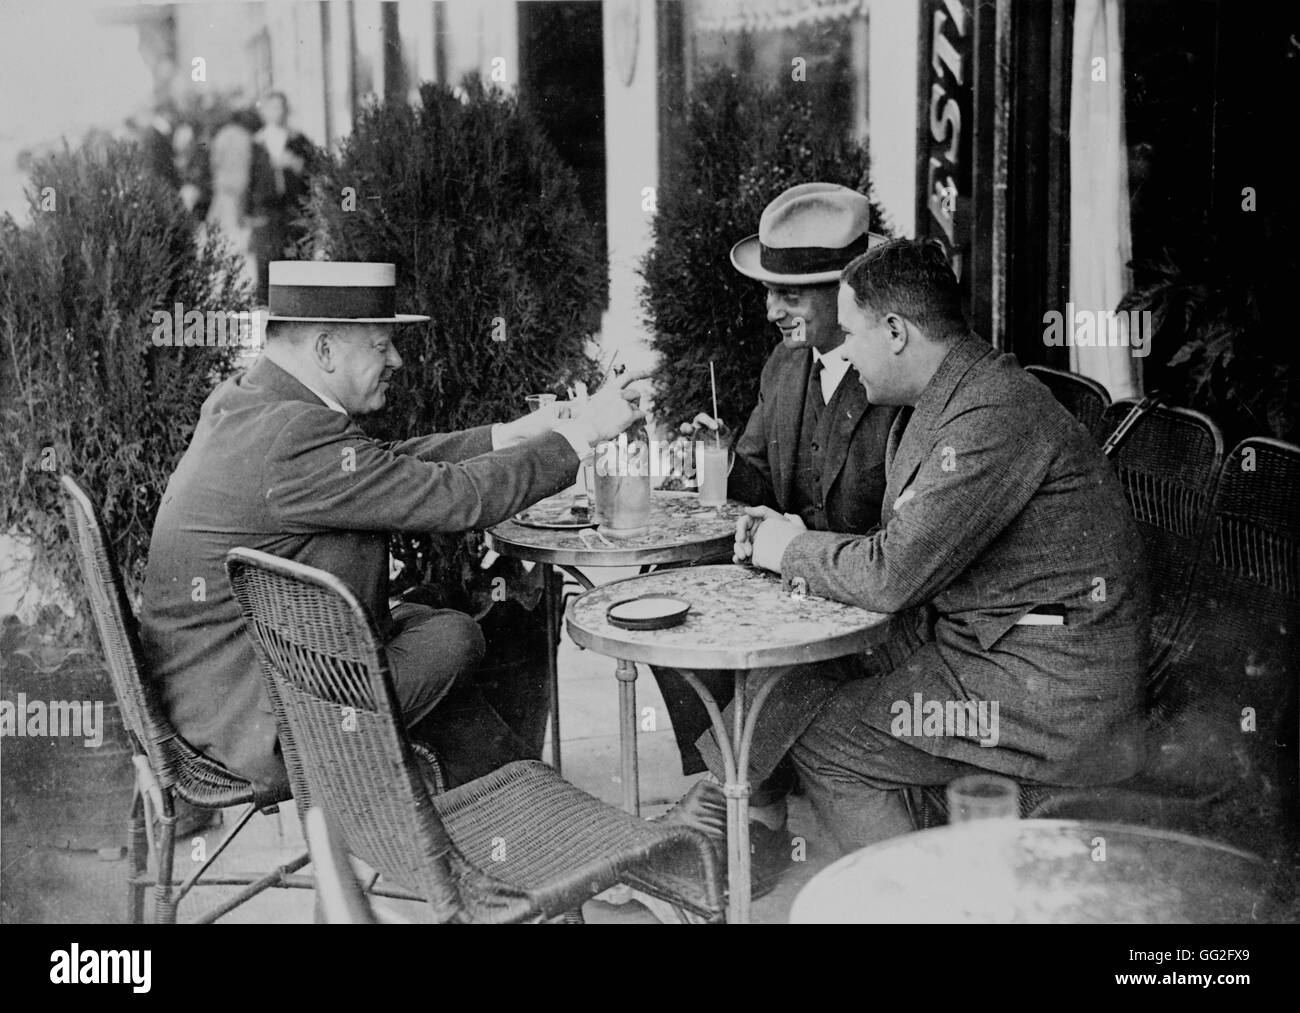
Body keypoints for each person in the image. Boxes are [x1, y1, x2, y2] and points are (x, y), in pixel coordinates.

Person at [141, 261, 645, 796]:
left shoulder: (249, 400)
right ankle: (508, 826)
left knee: (441, 633)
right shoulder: (295, 433)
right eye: (381, 345)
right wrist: (586, 431)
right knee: (455, 637)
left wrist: (510, 435)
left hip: (214, 700)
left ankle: (508, 817)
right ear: (326, 349)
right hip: (264, 721)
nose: (397, 359)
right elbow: (457, 499)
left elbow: (381, 465)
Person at [733, 238, 1149, 853]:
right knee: (794, 678)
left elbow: (891, 575)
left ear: (896, 331)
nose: (843, 349)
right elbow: (902, 552)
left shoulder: (991, 415)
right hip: (993, 649)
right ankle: (725, 795)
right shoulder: (950, 395)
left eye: (852, 333)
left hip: (1048, 695)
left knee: (830, 745)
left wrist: (784, 549)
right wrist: (797, 543)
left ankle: (914, 903)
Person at [651, 183, 901, 886]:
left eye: (791, 294)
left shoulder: (893, 380)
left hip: (866, 599)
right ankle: (748, 800)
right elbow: (753, 483)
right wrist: (717, 462)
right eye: (769, 290)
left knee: (765, 649)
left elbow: (899, 545)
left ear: (848, 290)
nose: (771, 310)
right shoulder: (785, 367)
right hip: (793, 582)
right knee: (659, 601)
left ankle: (743, 813)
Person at [251, 92, 316, 301]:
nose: (276, 112)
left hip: (293, 208)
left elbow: (314, 169)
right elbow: (249, 179)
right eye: (271, 108)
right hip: (266, 210)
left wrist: (295, 164)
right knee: (266, 263)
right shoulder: (256, 143)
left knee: (296, 260)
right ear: (264, 112)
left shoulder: (298, 140)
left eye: (280, 107)